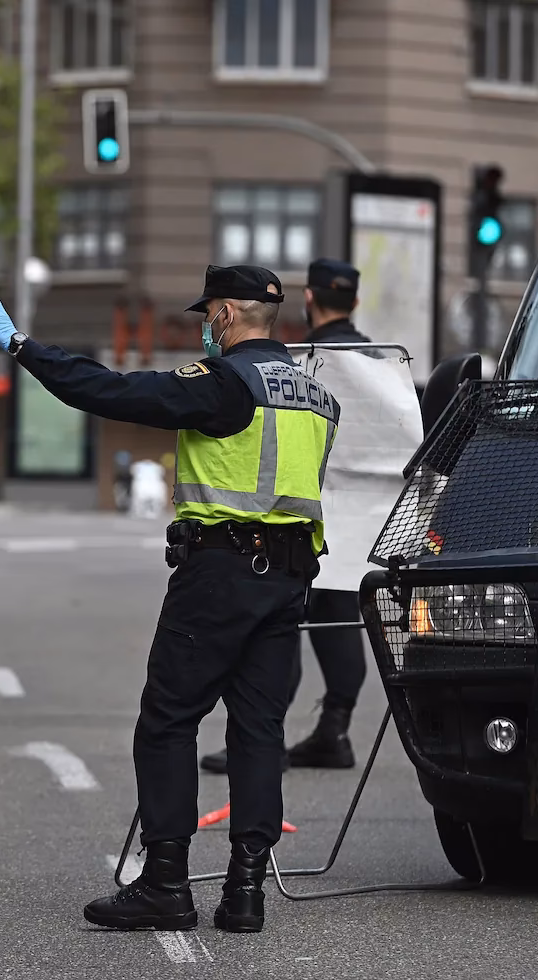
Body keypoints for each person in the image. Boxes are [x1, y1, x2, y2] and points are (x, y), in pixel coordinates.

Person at [0, 265, 340, 935]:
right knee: (258, 730)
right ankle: (245, 893)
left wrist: (23, 345)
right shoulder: (317, 398)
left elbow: (109, 389)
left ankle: (166, 883)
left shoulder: (224, 383)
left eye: (208, 313)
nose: (204, 326)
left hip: (220, 572)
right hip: (288, 581)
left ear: (226, 314)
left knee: (168, 719)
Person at [200, 258, 374, 775]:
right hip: (361, 515)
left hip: (292, 513)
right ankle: (334, 728)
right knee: (339, 614)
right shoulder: (379, 363)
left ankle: (263, 739)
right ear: (354, 302)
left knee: (283, 622)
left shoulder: (296, 362)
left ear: (309, 299)